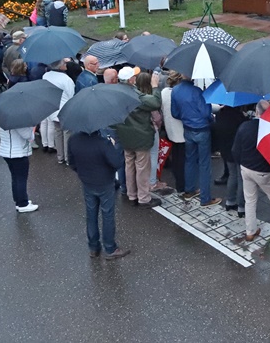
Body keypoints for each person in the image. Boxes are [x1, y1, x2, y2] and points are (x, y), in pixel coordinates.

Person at [67, 129, 129, 260]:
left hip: (87, 181)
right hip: (105, 182)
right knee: (107, 215)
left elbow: (72, 163)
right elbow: (117, 162)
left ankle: (94, 247)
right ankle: (110, 248)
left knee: (91, 214)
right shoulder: (103, 143)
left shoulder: (73, 140)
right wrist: (113, 145)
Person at [232, 100, 270, 243]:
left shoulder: (244, 126)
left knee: (250, 200)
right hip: (264, 171)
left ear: (256, 111)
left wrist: (241, 163)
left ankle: (250, 232)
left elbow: (235, 150)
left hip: (246, 169)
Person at [112, 68, 161, 207]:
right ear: (130, 80)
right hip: (140, 136)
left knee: (129, 164)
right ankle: (144, 197)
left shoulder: (115, 93)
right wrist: (155, 87)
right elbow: (155, 102)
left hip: (124, 135)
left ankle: (131, 194)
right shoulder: (135, 95)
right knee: (142, 167)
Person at [170, 74, 220, 206]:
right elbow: (205, 113)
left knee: (189, 160)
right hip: (202, 129)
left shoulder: (175, 90)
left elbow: (174, 113)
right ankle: (205, 197)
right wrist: (210, 116)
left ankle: (189, 190)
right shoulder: (197, 91)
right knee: (204, 164)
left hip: (187, 128)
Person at [213, 102, 247, 215]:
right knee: (241, 177)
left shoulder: (219, 115)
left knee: (232, 175)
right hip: (239, 151)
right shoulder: (239, 117)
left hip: (226, 150)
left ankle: (230, 201)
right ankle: (241, 206)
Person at [0, 122, 38, 213]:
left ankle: (19, 200)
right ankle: (23, 204)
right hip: (18, 153)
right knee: (21, 178)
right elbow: (27, 135)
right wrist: (32, 128)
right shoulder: (18, 121)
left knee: (15, 177)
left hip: (7, 151)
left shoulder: (3, 117)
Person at [41, 59, 75, 164]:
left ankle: (60, 157)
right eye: (64, 63)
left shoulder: (46, 75)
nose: (66, 65)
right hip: (65, 110)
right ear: (60, 66)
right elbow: (71, 95)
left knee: (58, 133)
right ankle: (68, 158)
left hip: (53, 109)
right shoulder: (67, 79)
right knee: (67, 135)